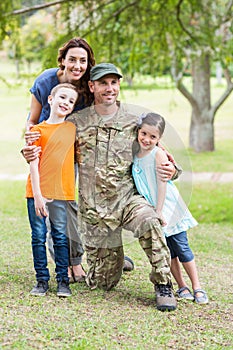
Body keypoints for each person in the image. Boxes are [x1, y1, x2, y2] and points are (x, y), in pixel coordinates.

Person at [66, 63, 181, 311]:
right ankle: (116, 262)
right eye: (104, 83)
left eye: (114, 83)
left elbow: (159, 151)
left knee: (150, 220)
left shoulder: (134, 121)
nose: (110, 88)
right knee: (103, 283)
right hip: (96, 211)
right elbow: (53, 152)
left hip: (128, 200)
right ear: (92, 86)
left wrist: (173, 170)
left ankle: (163, 284)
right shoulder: (76, 122)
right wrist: (32, 150)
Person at [23, 37, 95, 283]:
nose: (77, 65)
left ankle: (74, 261)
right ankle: (66, 265)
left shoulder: (88, 87)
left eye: (83, 61)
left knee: (68, 205)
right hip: (45, 151)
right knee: (49, 205)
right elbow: (31, 120)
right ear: (62, 60)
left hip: (73, 153)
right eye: (72, 59)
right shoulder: (45, 82)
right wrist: (29, 145)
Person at [132, 112, 209, 304]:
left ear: (159, 139)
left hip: (168, 207)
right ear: (138, 132)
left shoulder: (158, 154)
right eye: (144, 134)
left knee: (182, 248)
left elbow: (162, 184)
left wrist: (159, 211)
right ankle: (181, 286)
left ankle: (197, 286)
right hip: (153, 208)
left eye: (153, 137)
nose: (147, 139)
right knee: (169, 252)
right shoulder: (135, 154)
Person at [26, 83, 78, 297]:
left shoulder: (73, 130)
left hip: (61, 193)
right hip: (37, 193)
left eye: (71, 101)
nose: (65, 103)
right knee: (38, 236)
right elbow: (33, 164)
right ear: (50, 99)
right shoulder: (37, 131)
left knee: (60, 236)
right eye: (62, 98)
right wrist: (38, 196)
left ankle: (63, 281)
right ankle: (41, 281)